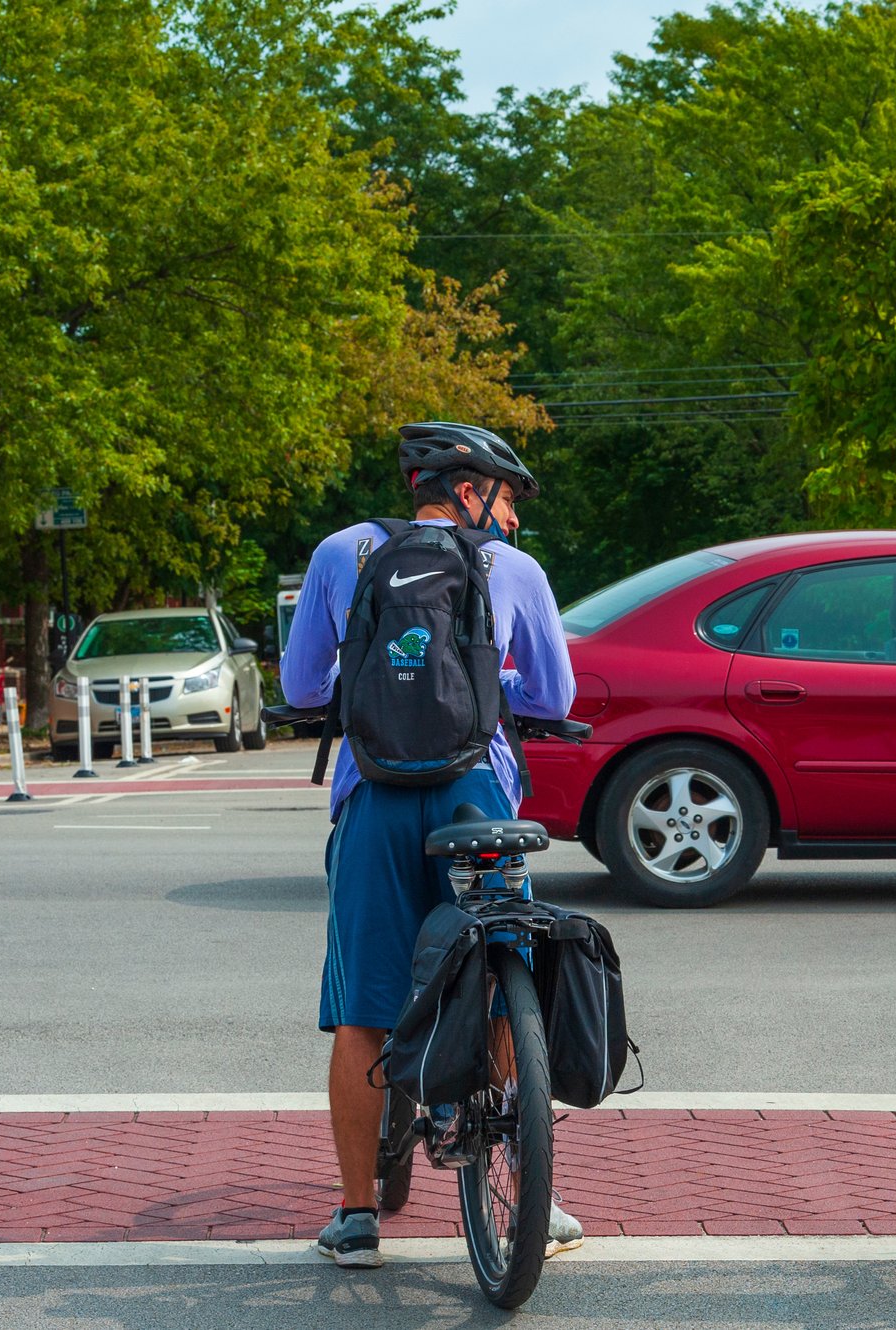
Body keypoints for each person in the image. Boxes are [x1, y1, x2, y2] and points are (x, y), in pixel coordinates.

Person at [280, 421, 580, 1269]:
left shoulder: (343, 552)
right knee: (499, 971)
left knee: (361, 1011)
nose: (513, 519)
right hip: (475, 798)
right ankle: (534, 1190)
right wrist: (493, 678)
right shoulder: (513, 570)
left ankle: (356, 1218)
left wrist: (367, 674)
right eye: (507, 498)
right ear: (467, 491)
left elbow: (302, 686)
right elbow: (555, 694)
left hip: (373, 798)